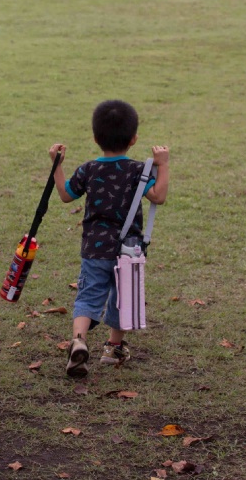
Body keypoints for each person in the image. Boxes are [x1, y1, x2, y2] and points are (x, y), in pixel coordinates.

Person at [48, 100, 170, 378]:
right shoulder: (138, 170)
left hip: (94, 248)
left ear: (95, 138)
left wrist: (57, 166)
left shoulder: (88, 169)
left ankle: (79, 340)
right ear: (134, 139)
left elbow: (66, 195)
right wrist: (162, 165)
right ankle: (113, 348)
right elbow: (159, 197)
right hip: (128, 249)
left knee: (89, 294)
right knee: (122, 297)